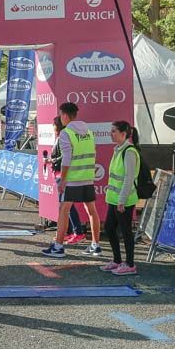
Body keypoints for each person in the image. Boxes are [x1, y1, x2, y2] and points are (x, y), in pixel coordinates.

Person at [42, 102, 102, 258]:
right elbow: (92, 151)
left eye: (61, 115)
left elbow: (67, 158)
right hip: (87, 178)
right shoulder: (88, 131)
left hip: (72, 179)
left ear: (65, 115)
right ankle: (95, 245)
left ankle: (58, 247)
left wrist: (63, 180)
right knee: (91, 211)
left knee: (63, 210)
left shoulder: (66, 133)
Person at [101, 121, 141, 276]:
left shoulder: (129, 152)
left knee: (125, 232)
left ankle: (130, 264)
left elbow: (129, 178)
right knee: (109, 228)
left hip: (123, 200)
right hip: (114, 199)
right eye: (111, 131)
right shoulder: (118, 150)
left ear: (123, 134)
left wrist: (122, 201)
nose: (111, 134)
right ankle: (117, 260)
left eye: (114, 131)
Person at [48, 117, 85, 244]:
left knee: (67, 206)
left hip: (63, 175)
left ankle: (77, 232)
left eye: (53, 125)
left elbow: (64, 156)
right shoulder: (59, 138)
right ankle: (68, 232)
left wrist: (51, 160)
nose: (52, 128)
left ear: (57, 126)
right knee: (65, 206)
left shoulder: (63, 137)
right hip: (59, 173)